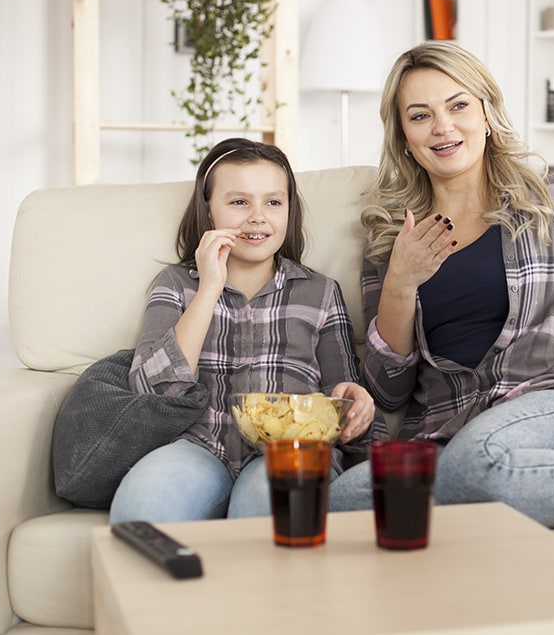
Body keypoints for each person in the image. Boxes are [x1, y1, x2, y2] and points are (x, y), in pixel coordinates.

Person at [328, 42, 554, 528]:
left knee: (474, 465)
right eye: (420, 116)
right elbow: (388, 392)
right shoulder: (389, 236)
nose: (443, 127)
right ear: (403, 136)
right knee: (342, 503)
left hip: (551, 406)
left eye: (458, 105)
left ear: (486, 114)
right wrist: (399, 282)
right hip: (444, 431)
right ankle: (497, 500)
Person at [110, 138, 374, 524]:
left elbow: (342, 398)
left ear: (289, 210)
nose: (257, 217)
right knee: (141, 511)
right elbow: (151, 390)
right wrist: (209, 289)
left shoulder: (321, 292)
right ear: (209, 210)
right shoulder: (177, 285)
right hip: (197, 445)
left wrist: (356, 404)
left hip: (290, 449)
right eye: (238, 202)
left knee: (270, 512)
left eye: (273, 202)